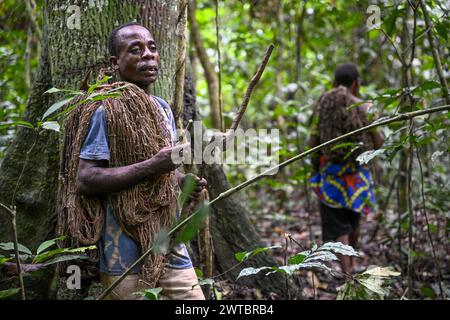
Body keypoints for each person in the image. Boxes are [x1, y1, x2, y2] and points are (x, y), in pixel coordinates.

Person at [57, 22, 206, 300]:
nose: (148, 55)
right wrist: (153, 165)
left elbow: (163, 172)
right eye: (135, 50)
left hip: (167, 241)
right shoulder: (104, 111)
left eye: (152, 48)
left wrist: (181, 181)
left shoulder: (163, 110)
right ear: (116, 62)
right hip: (122, 250)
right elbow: (86, 179)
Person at [308, 63, 383, 274]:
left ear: (333, 83)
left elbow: (312, 142)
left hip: (331, 176)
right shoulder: (366, 107)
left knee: (339, 224)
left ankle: (348, 270)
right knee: (353, 220)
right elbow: (378, 143)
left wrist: (315, 167)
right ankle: (351, 269)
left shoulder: (323, 106)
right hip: (357, 176)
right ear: (357, 84)